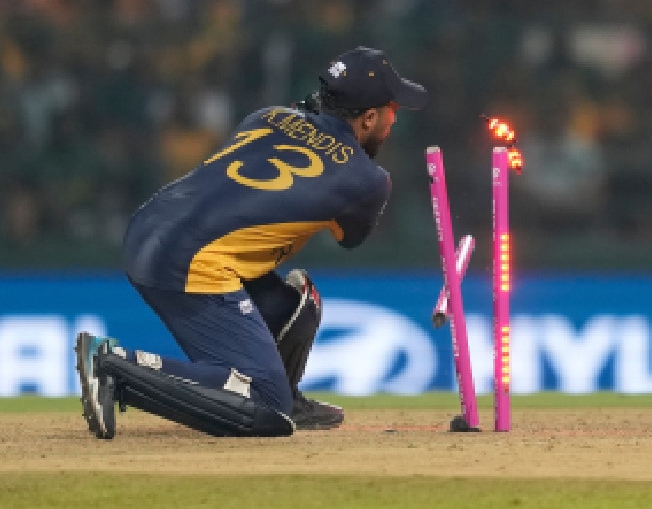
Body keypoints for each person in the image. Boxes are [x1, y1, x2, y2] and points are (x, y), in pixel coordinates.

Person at [74, 47, 426, 438]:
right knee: (264, 405)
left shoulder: (269, 115)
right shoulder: (367, 180)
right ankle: (113, 366)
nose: (394, 121)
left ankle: (288, 400)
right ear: (371, 116)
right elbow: (349, 238)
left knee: (297, 305)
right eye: (393, 109)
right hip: (187, 260)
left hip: (149, 224)